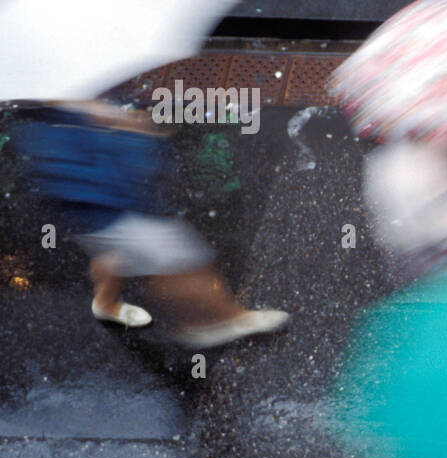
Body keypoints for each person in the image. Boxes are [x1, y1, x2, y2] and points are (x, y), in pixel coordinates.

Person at [10, 100, 288, 348]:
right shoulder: (54, 128)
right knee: (180, 259)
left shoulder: (68, 109)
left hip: (105, 206)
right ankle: (212, 322)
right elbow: (92, 174)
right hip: (106, 209)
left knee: (116, 255)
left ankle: (105, 305)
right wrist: (124, 131)